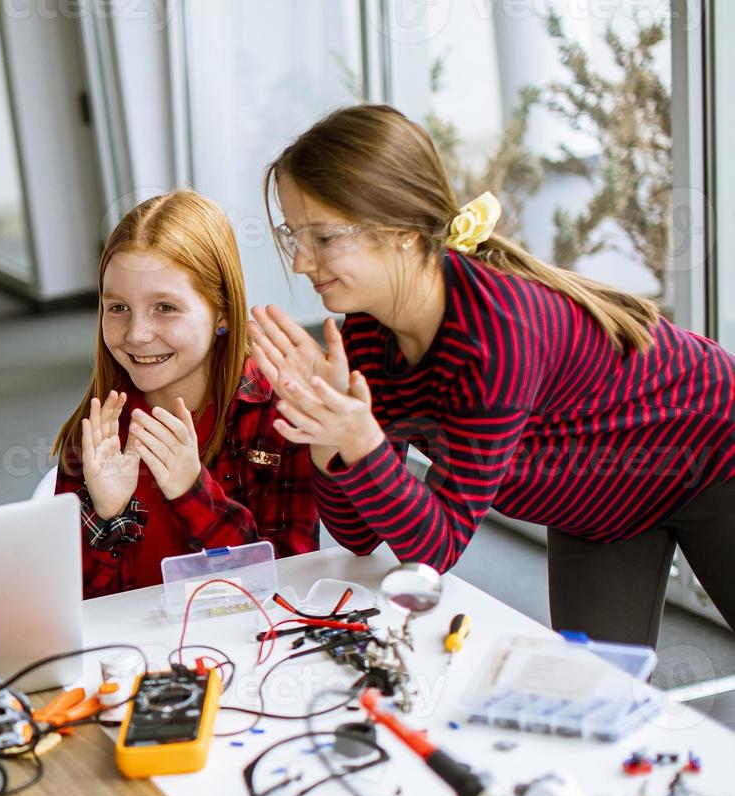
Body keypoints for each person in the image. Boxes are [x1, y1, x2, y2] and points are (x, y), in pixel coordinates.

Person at [252, 103, 735, 646]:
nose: (299, 263)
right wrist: (332, 438)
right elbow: (360, 536)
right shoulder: (367, 333)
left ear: (404, 231)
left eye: (323, 238)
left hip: (713, 450)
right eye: (294, 236)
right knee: (596, 696)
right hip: (601, 503)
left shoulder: (494, 332)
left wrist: (362, 440)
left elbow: (435, 551)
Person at [52, 189, 317, 597]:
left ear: (222, 314)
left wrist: (192, 491)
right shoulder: (96, 431)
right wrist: (108, 516)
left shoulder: (278, 417)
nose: (137, 334)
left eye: (165, 308)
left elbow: (286, 583)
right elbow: (70, 605)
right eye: (118, 308)